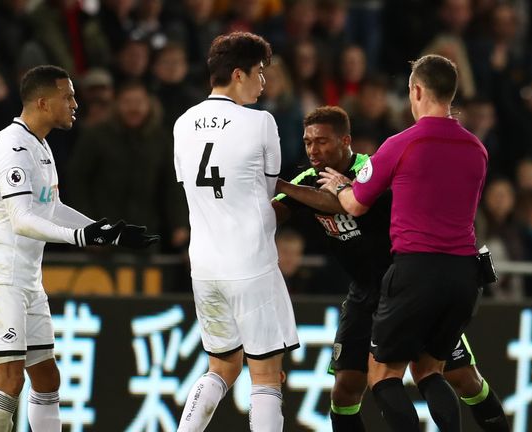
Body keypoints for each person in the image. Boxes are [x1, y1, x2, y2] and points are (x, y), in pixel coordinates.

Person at [274, 106, 508, 431]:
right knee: (345, 389)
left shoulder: (373, 168)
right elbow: (275, 213)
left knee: (462, 377)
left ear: (346, 141)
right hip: (364, 294)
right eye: (308, 142)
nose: (313, 150)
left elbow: (345, 202)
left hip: (405, 285)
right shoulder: (307, 180)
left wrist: (278, 183)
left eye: (322, 142)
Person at [0, 65, 159, 432]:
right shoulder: (11, 146)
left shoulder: (41, 146)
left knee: (47, 378)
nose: (75, 103)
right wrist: (81, 238)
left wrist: (106, 232)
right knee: (9, 378)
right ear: (42, 102)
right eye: (67, 96)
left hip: (26, 278)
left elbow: (51, 208)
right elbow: (21, 218)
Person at [318, 55, 487, 431]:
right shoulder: (477, 149)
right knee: (430, 370)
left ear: (416, 90)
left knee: (383, 374)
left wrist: (342, 186)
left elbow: (357, 205)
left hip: (416, 270)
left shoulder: (401, 143)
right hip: (464, 274)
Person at [173, 32, 299, 432]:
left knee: (221, 367)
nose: (264, 83)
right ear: (239, 74)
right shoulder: (261, 122)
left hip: (205, 266)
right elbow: (266, 194)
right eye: (260, 73)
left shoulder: (182, 123)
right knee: (265, 377)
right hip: (251, 264)